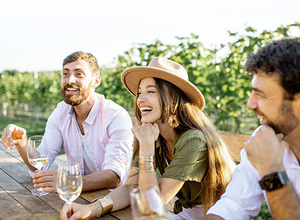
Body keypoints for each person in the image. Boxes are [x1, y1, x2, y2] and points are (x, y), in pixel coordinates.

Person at [60, 57, 236, 220]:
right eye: (139, 92)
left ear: (172, 97)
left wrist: (146, 146)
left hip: (216, 214)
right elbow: (131, 187)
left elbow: (152, 203)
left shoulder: (193, 140)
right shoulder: (152, 132)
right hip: (182, 213)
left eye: (150, 91)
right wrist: (93, 208)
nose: (140, 100)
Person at [1, 51, 133, 193]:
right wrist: (21, 141)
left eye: (79, 74)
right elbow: (40, 164)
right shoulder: (60, 112)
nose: (69, 80)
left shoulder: (116, 116)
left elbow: (114, 176)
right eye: (65, 74)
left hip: (114, 201)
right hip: (77, 197)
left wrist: (70, 181)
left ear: (96, 80)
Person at [203, 38, 300, 220]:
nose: (250, 104)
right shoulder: (266, 137)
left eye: (260, 94)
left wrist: (271, 169)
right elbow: (235, 204)